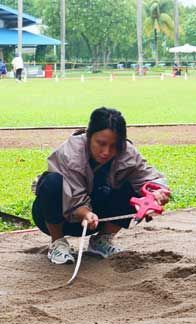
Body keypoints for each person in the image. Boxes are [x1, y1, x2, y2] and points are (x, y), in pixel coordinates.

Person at [32, 107, 171, 265]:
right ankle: (57, 243)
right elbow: (73, 198)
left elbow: (149, 177)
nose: (106, 152)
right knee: (51, 183)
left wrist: (157, 194)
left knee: (133, 186)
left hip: (98, 219)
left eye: (114, 145)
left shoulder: (127, 152)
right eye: (101, 143)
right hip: (59, 216)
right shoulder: (70, 153)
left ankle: (101, 241)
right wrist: (85, 213)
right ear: (89, 136)